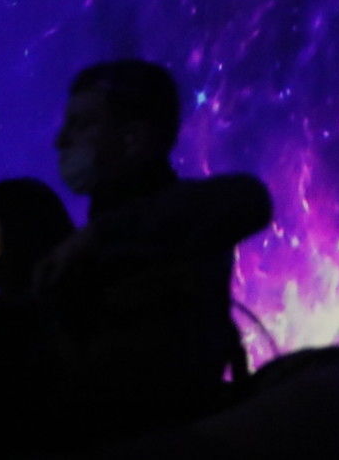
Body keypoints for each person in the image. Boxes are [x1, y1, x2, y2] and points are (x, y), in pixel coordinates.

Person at [33, 58, 273, 447]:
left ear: (133, 138)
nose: (61, 141)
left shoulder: (181, 219)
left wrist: (101, 234)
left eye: (82, 124)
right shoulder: (86, 245)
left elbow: (250, 199)